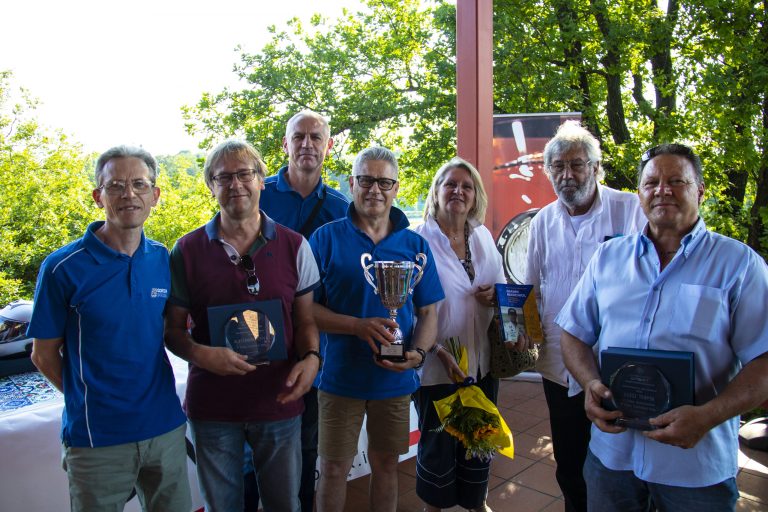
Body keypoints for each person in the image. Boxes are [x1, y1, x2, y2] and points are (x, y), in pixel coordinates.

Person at [558, 143, 768, 511]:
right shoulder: (608, 258)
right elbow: (573, 332)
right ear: (639, 193)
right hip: (612, 457)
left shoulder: (739, 265)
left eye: (676, 181)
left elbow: (764, 360)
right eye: (652, 182)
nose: (662, 190)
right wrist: (590, 383)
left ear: (700, 190)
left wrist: (709, 415)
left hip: (695, 468)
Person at [28, 145, 191, 511]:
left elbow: (170, 330)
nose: (129, 194)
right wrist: (91, 400)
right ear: (98, 196)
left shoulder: (162, 259)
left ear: (155, 196)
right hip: (96, 437)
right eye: (115, 186)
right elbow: (43, 355)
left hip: (164, 427)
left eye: (139, 184)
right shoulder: (62, 267)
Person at [164, 140, 321, 512]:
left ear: (261, 180)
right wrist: (200, 353)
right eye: (224, 177)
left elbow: (306, 319)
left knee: (285, 504)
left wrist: (312, 357)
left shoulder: (296, 246)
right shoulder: (185, 251)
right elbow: (171, 331)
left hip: (278, 401)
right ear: (211, 186)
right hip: (213, 409)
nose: (235, 184)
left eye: (244, 174)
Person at [309, 146, 444, 512]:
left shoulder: (415, 245)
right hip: (339, 378)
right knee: (333, 468)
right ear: (352, 183)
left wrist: (416, 354)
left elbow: (429, 311)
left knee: (387, 466)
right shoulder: (324, 239)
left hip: (394, 379)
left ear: (396, 187)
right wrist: (356, 326)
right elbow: (302, 308)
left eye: (384, 182)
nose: (375, 189)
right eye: (366, 180)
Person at [525, 121, 645, 512]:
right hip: (558, 365)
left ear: (595, 168)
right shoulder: (542, 221)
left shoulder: (630, 211)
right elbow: (531, 290)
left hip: (618, 365)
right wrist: (525, 334)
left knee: (627, 464)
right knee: (570, 462)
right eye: (558, 166)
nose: (567, 175)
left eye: (577, 165)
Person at [255, 109, 349, 512]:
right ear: (286, 143)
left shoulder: (343, 206)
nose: (307, 144)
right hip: (261, 334)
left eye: (316, 137)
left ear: (328, 146)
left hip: (315, 338)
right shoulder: (258, 193)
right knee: (255, 432)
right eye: (299, 137)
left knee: (308, 438)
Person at [411, 157, 506, 512]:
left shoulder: (481, 236)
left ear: (475, 195)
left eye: (466, 186)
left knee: (479, 440)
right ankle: (433, 507)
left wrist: (496, 296)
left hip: (481, 365)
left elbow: (503, 291)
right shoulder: (417, 240)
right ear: (436, 192)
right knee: (438, 448)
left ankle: (476, 503)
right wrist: (434, 349)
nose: (458, 191)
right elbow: (407, 311)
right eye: (450, 184)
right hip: (438, 367)